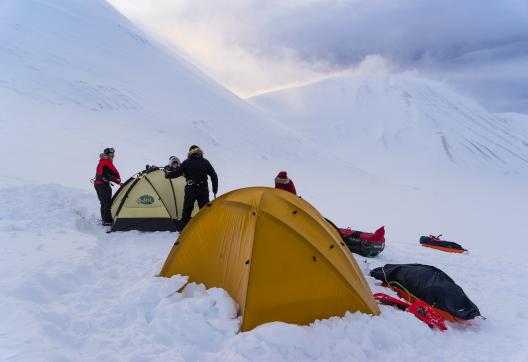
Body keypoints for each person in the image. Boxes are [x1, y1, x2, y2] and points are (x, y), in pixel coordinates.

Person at [165, 145, 218, 231]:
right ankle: (207, 228)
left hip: (191, 189)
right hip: (203, 189)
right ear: (200, 152)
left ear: (190, 152)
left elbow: (177, 173)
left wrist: (167, 175)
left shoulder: (187, 162)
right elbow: (214, 175)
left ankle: (183, 231)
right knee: (204, 210)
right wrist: (214, 190)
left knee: (187, 210)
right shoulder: (205, 162)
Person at [94, 147, 121, 226]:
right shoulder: (105, 162)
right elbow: (107, 175)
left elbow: (107, 175)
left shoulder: (104, 162)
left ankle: (105, 220)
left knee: (104, 203)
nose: (113, 156)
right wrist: (117, 180)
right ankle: (107, 222)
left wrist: (118, 182)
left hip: (100, 184)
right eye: (111, 154)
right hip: (102, 185)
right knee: (106, 203)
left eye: (113, 154)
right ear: (107, 155)